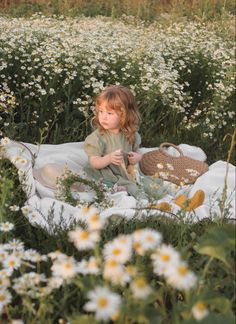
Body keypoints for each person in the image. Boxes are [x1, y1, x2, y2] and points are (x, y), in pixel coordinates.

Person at [83, 85, 144, 198]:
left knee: (147, 185)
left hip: (124, 172)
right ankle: (116, 189)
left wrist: (137, 157)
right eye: (101, 111)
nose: (103, 117)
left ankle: (122, 189)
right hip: (105, 173)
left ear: (125, 115)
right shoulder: (98, 137)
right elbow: (94, 162)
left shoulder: (130, 134)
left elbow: (137, 150)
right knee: (105, 184)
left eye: (109, 113)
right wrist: (109, 158)